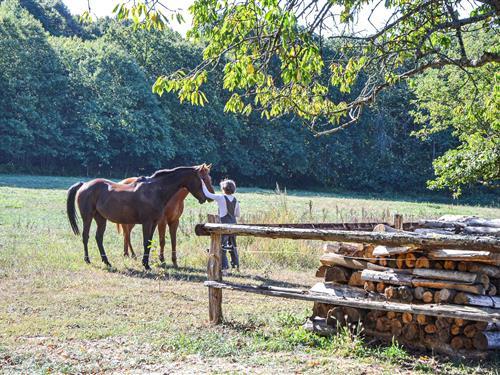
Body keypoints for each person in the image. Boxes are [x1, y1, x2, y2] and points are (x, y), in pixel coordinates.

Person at [201, 178, 240, 274]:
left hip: (224, 224)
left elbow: (207, 194)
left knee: (222, 247)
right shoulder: (236, 200)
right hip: (234, 224)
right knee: (233, 246)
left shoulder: (220, 197)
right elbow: (237, 214)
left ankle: (224, 268)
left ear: (223, 188)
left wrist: (202, 183)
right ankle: (236, 266)